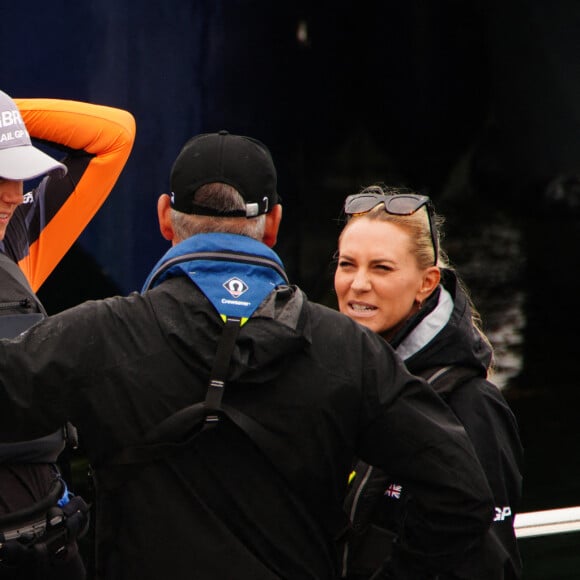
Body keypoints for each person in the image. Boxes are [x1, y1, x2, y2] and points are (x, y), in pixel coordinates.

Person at [0, 130, 494, 579]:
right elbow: (461, 492)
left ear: (164, 219)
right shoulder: (348, 348)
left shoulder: (100, 334)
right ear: (274, 223)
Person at [334, 184, 524, 579]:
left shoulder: (472, 405)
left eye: (381, 268)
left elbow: (489, 560)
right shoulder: (334, 381)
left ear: (427, 282)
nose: (358, 284)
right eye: (347, 264)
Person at [0, 89, 136, 579]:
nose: (14, 194)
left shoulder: (15, 248)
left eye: (16, 174)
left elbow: (114, 136)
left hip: (43, 547)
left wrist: (7, 117)